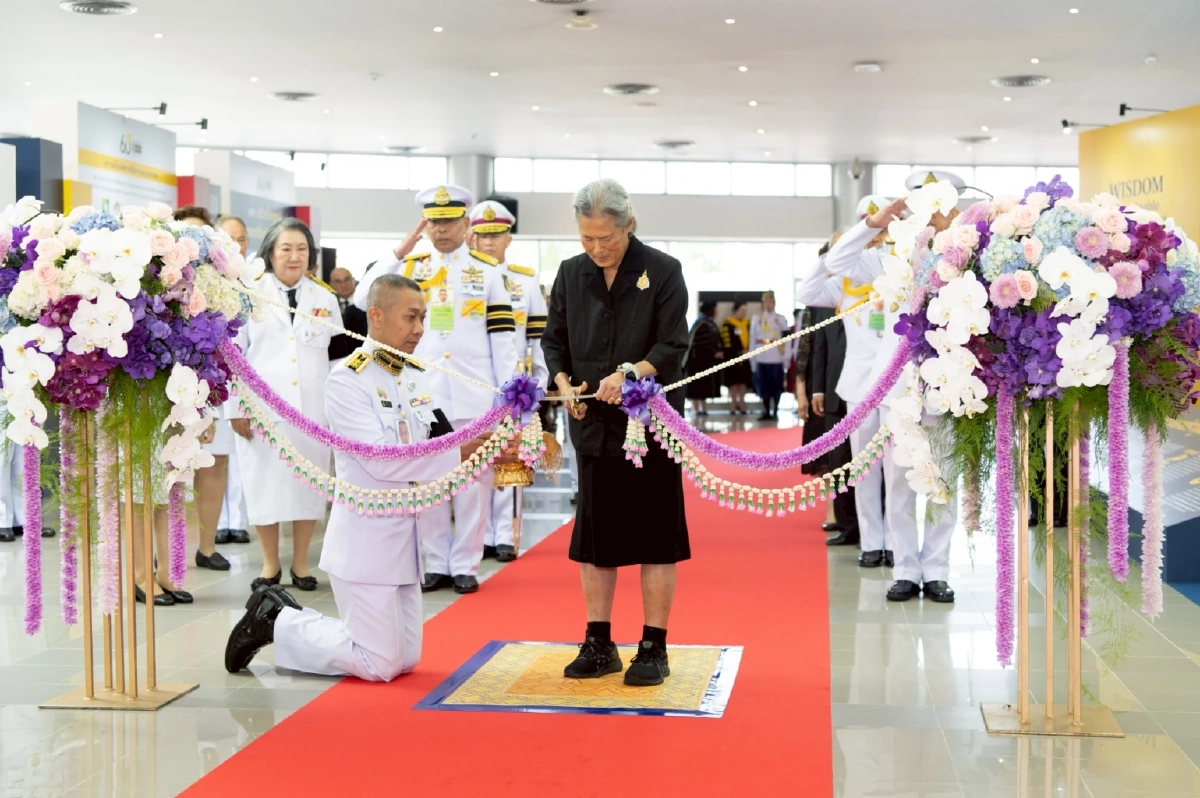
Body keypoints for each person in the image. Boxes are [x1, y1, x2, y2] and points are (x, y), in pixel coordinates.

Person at [224, 275, 517, 678]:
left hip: (406, 541)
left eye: (423, 318)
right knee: (378, 662)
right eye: (411, 318)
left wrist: (493, 457)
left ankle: (282, 618)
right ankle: (276, 620)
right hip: (366, 543)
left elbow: (442, 444)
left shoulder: (413, 375)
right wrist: (461, 450)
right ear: (376, 316)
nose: (419, 329)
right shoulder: (348, 379)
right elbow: (383, 461)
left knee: (406, 660)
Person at [542, 178, 689, 687]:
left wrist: (631, 372)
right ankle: (599, 641)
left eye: (608, 238)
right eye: (587, 239)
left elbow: (674, 345)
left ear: (630, 223)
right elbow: (553, 340)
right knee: (595, 539)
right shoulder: (570, 272)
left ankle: (653, 645)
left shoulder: (663, 271)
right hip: (591, 424)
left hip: (649, 424)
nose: (598, 249)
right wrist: (562, 383)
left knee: (655, 538)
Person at [354, 185, 518, 594]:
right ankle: (435, 563)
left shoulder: (488, 271)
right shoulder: (409, 267)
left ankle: (465, 563)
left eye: (449, 221)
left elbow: (503, 338)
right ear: (425, 225)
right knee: (426, 482)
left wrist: (507, 397)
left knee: (473, 485)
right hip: (419, 394)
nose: (441, 229)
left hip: (474, 393)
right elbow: (361, 299)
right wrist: (397, 251)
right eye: (434, 221)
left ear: (466, 223)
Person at [824, 172, 964, 603]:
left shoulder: (971, 255)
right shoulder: (892, 253)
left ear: (953, 210)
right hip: (896, 388)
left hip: (951, 384)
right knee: (899, 484)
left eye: (937, 207)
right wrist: (874, 223)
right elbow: (836, 263)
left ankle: (936, 569)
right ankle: (905, 569)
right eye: (921, 206)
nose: (929, 215)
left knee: (943, 482)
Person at [226, 217, 342, 593]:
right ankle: (270, 563)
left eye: (302, 250)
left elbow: (338, 357)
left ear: (311, 256)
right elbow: (233, 356)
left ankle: (303, 563)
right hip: (262, 410)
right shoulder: (249, 291)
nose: (294, 257)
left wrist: (340, 411)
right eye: (286, 249)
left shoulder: (324, 298)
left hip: (312, 412)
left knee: (309, 486)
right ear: (271, 254)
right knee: (265, 487)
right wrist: (236, 408)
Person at [467, 199, 549, 563]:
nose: (488, 242)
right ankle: (480, 536)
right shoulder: (460, 277)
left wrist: (538, 383)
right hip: (473, 382)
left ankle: (504, 535)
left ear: (508, 238)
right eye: (482, 235)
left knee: (510, 458)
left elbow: (538, 340)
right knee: (475, 461)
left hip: (514, 388)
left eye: (496, 234)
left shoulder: (524, 282)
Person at [167, 207, 233, 572]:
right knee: (170, 466)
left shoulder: (220, 284)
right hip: (167, 387)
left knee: (214, 463)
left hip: (212, 382)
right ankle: (165, 550)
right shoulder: (156, 280)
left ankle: (206, 547)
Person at [212, 215, 251, 547]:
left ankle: (237, 521)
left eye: (240, 238)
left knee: (240, 455)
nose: (235, 245)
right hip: (212, 379)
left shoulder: (253, 281)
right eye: (228, 239)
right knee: (216, 455)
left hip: (245, 380)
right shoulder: (205, 278)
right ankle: (219, 522)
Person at [749, 291, 790, 421]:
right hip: (761, 355)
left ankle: (776, 410)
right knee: (763, 385)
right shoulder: (757, 319)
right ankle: (766, 410)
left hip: (776, 356)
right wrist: (752, 358)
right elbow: (753, 338)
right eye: (766, 301)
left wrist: (786, 358)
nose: (768, 304)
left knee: (776, 385)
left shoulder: (781, 319)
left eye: (770, 301)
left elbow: (786, 339)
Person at [683, 300, 723, 417]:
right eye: (716, 309)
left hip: (704, 361)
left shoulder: (709, 323)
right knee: (697, 386)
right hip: (697, 362)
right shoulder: (701, 324)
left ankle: (702, 408)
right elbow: (701, 344)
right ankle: (696, 408)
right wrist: (713, 354)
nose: (717, 312)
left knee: (702, 386)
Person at [328, 267, 369, 361]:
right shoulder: (328, 305)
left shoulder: (365, 303)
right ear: (331, 285)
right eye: (338, 281)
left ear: (353, 280)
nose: (343, 285)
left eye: (347, 279)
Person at [719, 302, 752, 414]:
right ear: (736, 311)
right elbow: (726, 343)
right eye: (742, 310)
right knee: (733, 382)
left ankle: (742, 403)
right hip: (732, 357)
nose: (744, 313)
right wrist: (737, 353)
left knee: (743, 382)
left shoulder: (748, 323)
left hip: (746, 357)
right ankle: (733, 404)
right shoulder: (728, 324)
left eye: (745, 310)